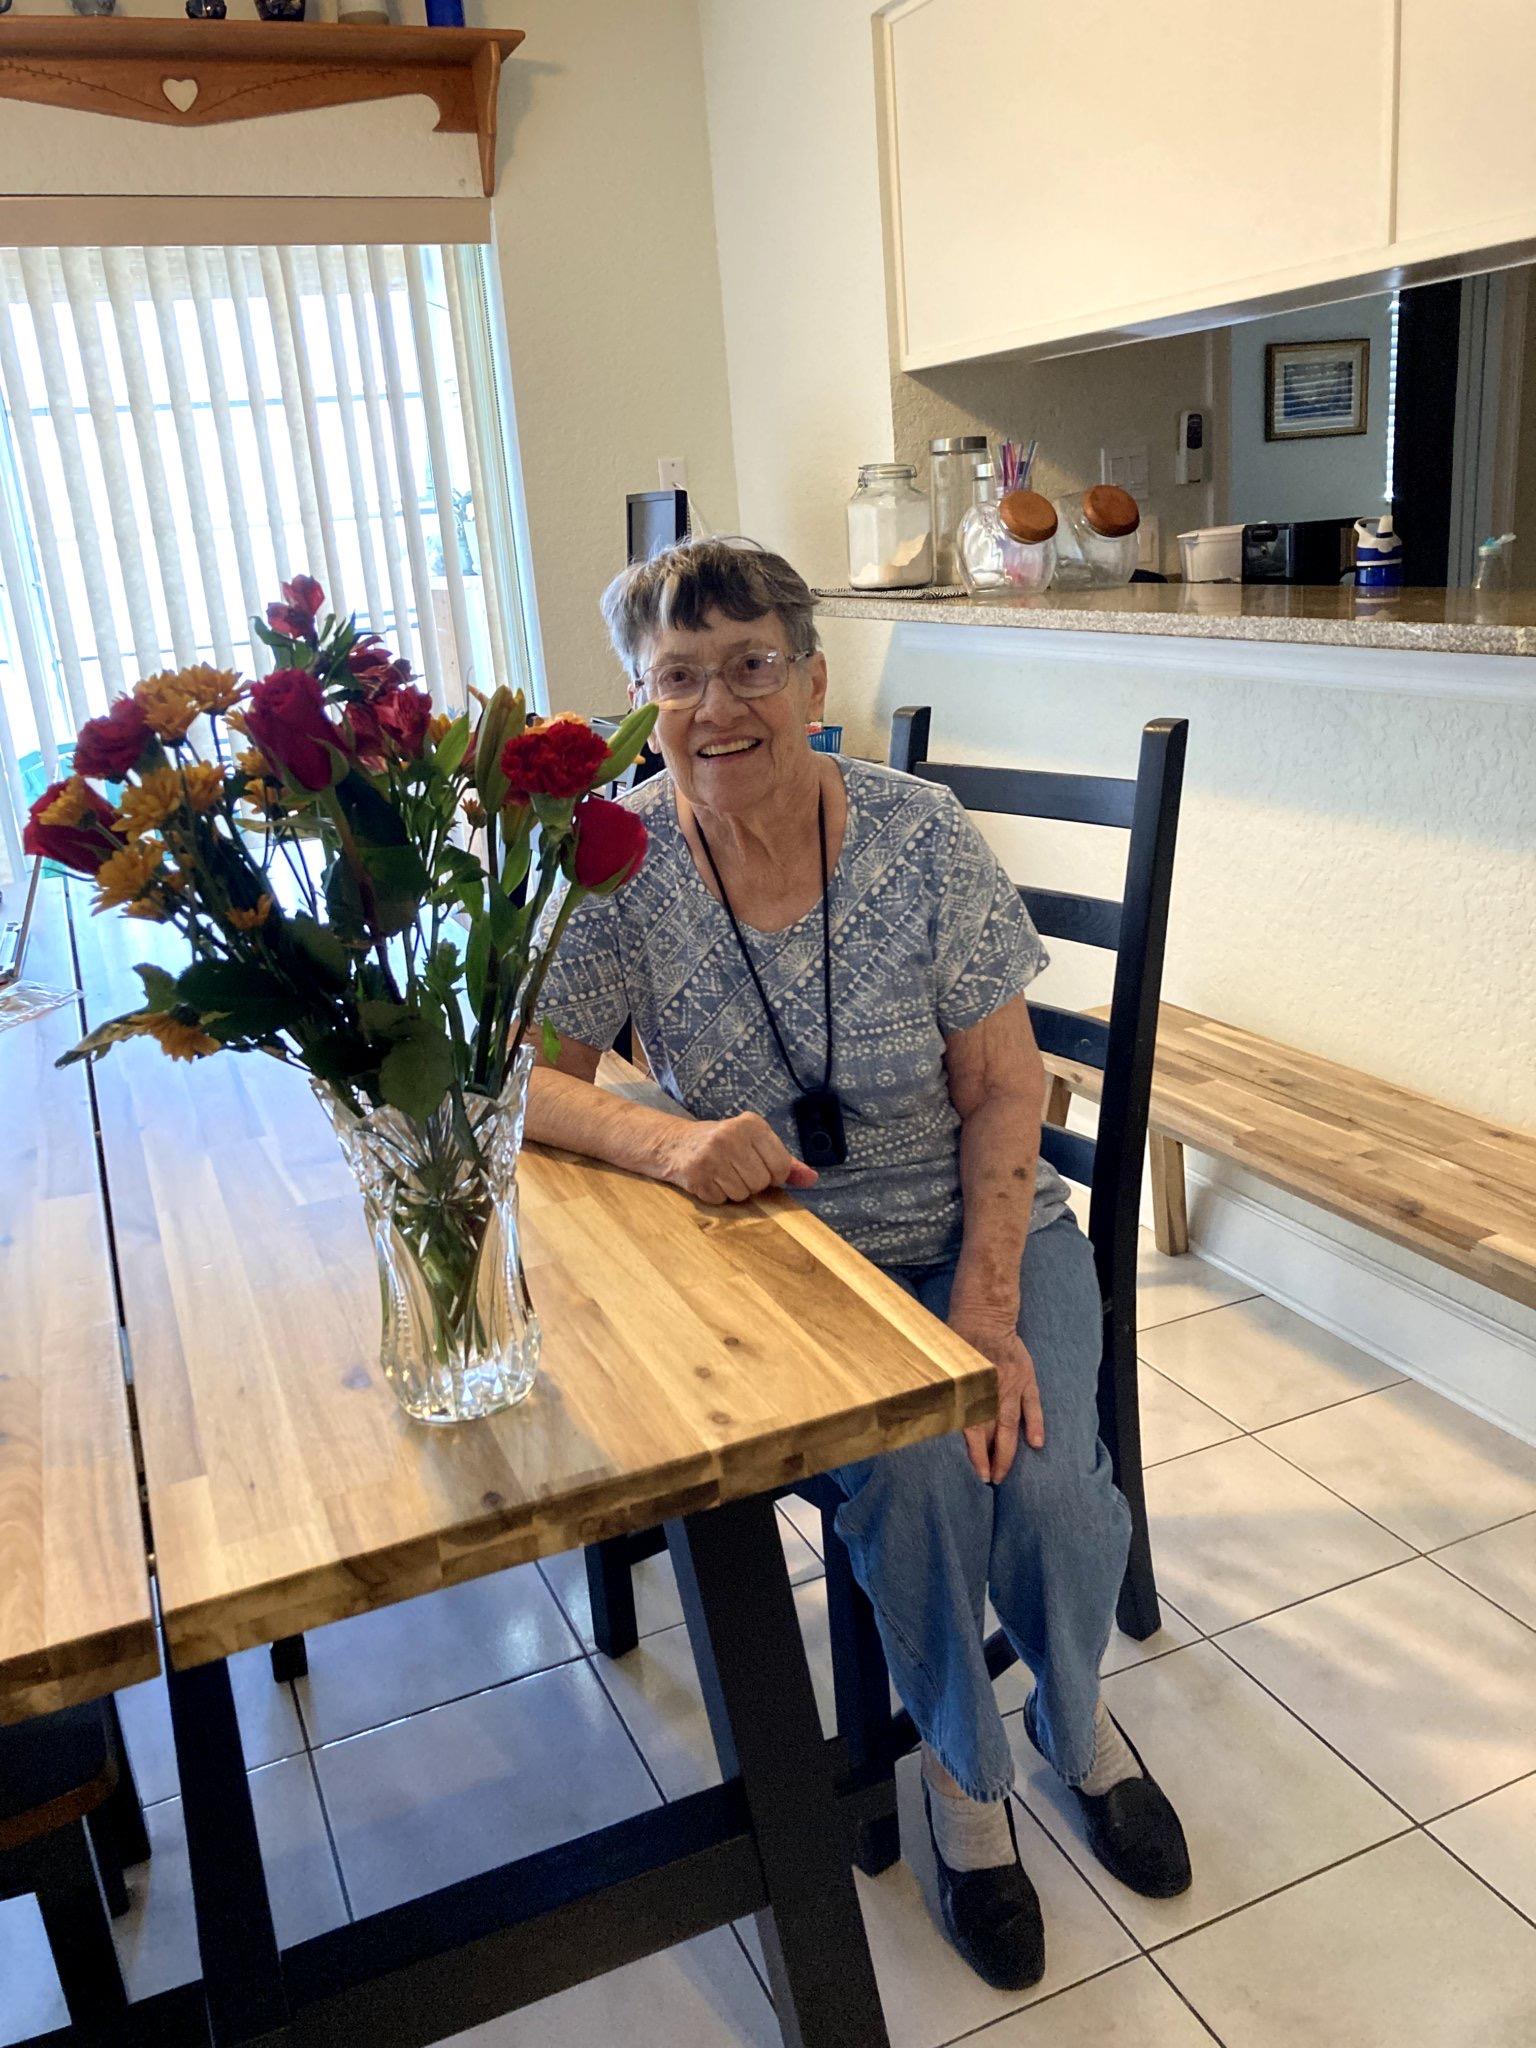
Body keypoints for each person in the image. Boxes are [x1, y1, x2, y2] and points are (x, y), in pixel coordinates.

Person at [525, 538, 1190, 1988]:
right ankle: (967, 1781)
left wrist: (987, 1314)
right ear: (644, 705)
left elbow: (1008, 1089)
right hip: (793, 1269)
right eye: (680, 678)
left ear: (815, 679)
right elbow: (527, 1084)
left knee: (1054, 1479)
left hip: (979, 1228)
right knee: (912, 1478)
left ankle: (1074, 1723)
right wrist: (673, 1147)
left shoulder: (922, 835)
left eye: (754, 665)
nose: (721, 706)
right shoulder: (622, 864)